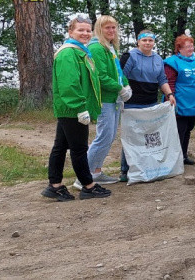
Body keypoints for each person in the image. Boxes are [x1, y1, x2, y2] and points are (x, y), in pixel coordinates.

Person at [42, 14, 112, 201]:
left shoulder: (80, 52)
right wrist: (80, 107)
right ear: (70, 31)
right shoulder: (68, 53)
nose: (85, 33)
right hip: (73, 109)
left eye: (88, 30)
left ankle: (54, 186)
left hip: (70, 109)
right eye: (81, 30)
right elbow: (69, 85)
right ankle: (88, 186)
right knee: (79, 149)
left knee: (60, 146)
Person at [71, 15, 132, 189]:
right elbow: (101, 76)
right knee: (103, 137)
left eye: (113, 27)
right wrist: (119, 89)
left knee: (109, 136)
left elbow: (118, 71)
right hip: (104, 99)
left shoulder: (110, 47)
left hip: (113, 99)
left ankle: (96, 172)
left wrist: (126, 85)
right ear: (99, 29)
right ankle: (83, 177)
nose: (111, 30)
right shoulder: (97, 47)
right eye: (107, 28)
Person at [118, 30, 176, 181]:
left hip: (151, 103)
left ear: (154, 42)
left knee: (149, 137)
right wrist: (122, 95)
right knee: (131, 137)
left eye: (150, 40)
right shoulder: (130, 56)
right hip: (131, 104)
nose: (147, 43)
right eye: (144, 40)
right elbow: (121, 77)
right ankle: (125, 170)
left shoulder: (158, 59)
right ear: (138, 42)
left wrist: (169, 94)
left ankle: (148, 166)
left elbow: (162, 79)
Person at [164, 34, 195, 165]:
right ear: (179, 49)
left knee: (188, 129)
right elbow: (169, 82)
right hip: (180, 102)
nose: (191, 49)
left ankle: (183, 155)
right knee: (179, 130)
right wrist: (170, 96)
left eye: (192, 46)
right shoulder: (172, 62)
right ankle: (174, 158)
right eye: (187, 47)